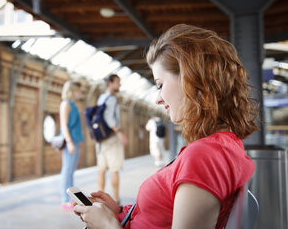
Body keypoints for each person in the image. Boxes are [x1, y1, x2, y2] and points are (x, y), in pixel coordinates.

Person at [74, 24, 258, 229]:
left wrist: (107, 225)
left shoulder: (204, 156)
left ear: (192, 79)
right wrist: (120, 213)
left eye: (160, 84)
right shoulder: (223, 146)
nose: (157, 99)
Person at [95, 74, 128, 205]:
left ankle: (99, 197)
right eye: (118, 82)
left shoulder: (101, 98)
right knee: (114, 168)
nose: (120, 85)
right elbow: (109, 118)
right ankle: (116, 199)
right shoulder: (112, 98)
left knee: (101, 169)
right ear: (110, 83)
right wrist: (119, 133)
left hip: (100, 139)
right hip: (112, 138)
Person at [59, 81, 84, 210]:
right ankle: (65, 199)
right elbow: (64, 125)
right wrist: (69, 142)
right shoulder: (66, 104)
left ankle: (70, 198)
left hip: (75, 140)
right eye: (79, 90)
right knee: (67, 170)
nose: (81, 93)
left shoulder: (73, 104)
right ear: (73, 91)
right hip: (70, 140)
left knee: (70, 171)